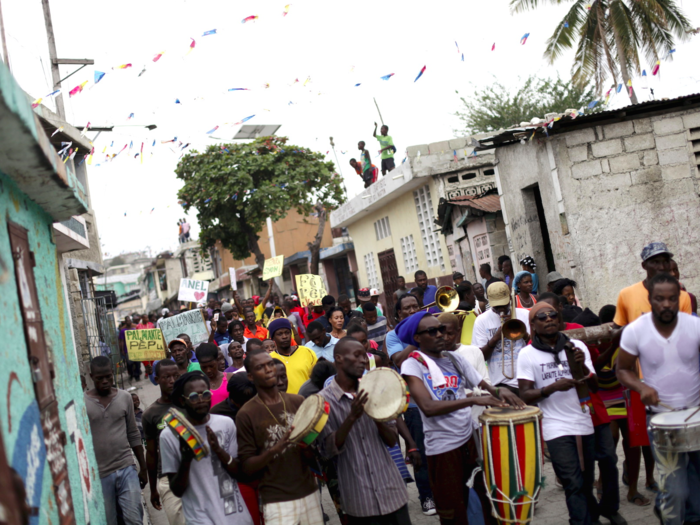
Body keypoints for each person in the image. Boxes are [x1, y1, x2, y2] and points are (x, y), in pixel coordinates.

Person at [398, 311, 523, 525]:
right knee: (453, 513)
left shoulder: (454, 359)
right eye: (432, 331)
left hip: (469, 441)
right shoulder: (413, 365)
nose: (441, 334)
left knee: (486, 504)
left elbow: (484, 386)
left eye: (441, 329)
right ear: (417, 338)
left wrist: (501, 392)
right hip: (443, 449)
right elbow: (427, 407)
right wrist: (472, 400)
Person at [616, 272, 700, 525]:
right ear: (649, 299)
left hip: (696, 415)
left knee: (697, 492)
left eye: (672, 299)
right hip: (662, 420)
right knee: (675, 490)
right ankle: (667, 511)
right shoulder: (635, 331)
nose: (666, 304)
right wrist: (641, 387)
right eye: (660, 299)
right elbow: (622, 369)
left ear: (680, 299)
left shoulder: (695, 326)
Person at [517, 302, 603, 525]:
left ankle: (591, 519)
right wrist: (551, 388)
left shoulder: (576, 347)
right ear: (533, 325)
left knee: (585, 482)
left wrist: (582, 367)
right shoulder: (527, 354)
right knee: (572, 482)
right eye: (542, 317)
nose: (548, 319)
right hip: (555, 427)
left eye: (552, 315)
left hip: (583, 421)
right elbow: (525, 395)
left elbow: (594, 386)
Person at [318, 337, 410, 525]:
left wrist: (374, 414)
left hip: (392, 491)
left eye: (364, 355)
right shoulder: (323, 402)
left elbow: (392, 440)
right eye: (357, 355)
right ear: (339, 358)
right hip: (359, 499)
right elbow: (327, 450)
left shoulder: (374, 390)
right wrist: (351, 418)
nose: (363, 360)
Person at [236, 351, 323, 525]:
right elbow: (246, 466)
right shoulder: (246, 414)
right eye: (260, 367)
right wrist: (275, 449)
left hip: (309, 492)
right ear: (251, 376)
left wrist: (307, 446)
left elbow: (313, 453)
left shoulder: (297, 401)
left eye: (269, 364)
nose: (268, 370)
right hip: (276, 500)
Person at [160, 371, 254, 525]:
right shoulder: (169, 436)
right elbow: (177, 490)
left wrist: (219, 450)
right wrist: (186, 459)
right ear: (181, 400)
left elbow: (240, 472)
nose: (201, 400)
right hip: (200, 519)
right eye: (193, 397)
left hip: (236, 517)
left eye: (205, 394)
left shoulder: (226, 423)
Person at [85, 356, 147, 525]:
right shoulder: (83, 402)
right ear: (91, 376)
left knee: (134, 518)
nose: (105, 381)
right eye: (99, 378)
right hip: (100, 473)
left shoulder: (124, 397)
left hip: (126, 466)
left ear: (113, 373)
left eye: (108, 377)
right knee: (110, 521)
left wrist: (143, 467)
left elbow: (133, 433)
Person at [142, 359, 184, 524]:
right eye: (166, 377)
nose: (172, 381)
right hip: (168, 477)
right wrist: (153, 488)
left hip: (195, 471)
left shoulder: (189, 403)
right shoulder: (150, 414)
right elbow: (151, 454)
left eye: (175, 376)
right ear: (157, 379)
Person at [614, 242, 693, 327]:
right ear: (644, 266)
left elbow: (687, 332)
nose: (662, 267)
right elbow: (617, 330)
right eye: (655, 262)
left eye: (666, 261)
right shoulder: (626, 294)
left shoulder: (683, 296)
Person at [472, 282, 530, 394]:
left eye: (504, 304)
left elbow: (535, 347)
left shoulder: (524, 315)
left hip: (526, 380)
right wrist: (496, 338)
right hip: (500, 384)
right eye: (497, 306)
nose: (501, 308)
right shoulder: (481, 320)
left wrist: (522, 332)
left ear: (510, 297)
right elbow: (480, 357)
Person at [268, 318, 318, 394]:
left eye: (287, 332)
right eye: (279, 334)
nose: (284, 336)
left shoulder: (307, 352)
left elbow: (318, 378)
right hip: (284, 403)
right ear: (273, 338)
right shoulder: (269, 359)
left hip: (308, 400)